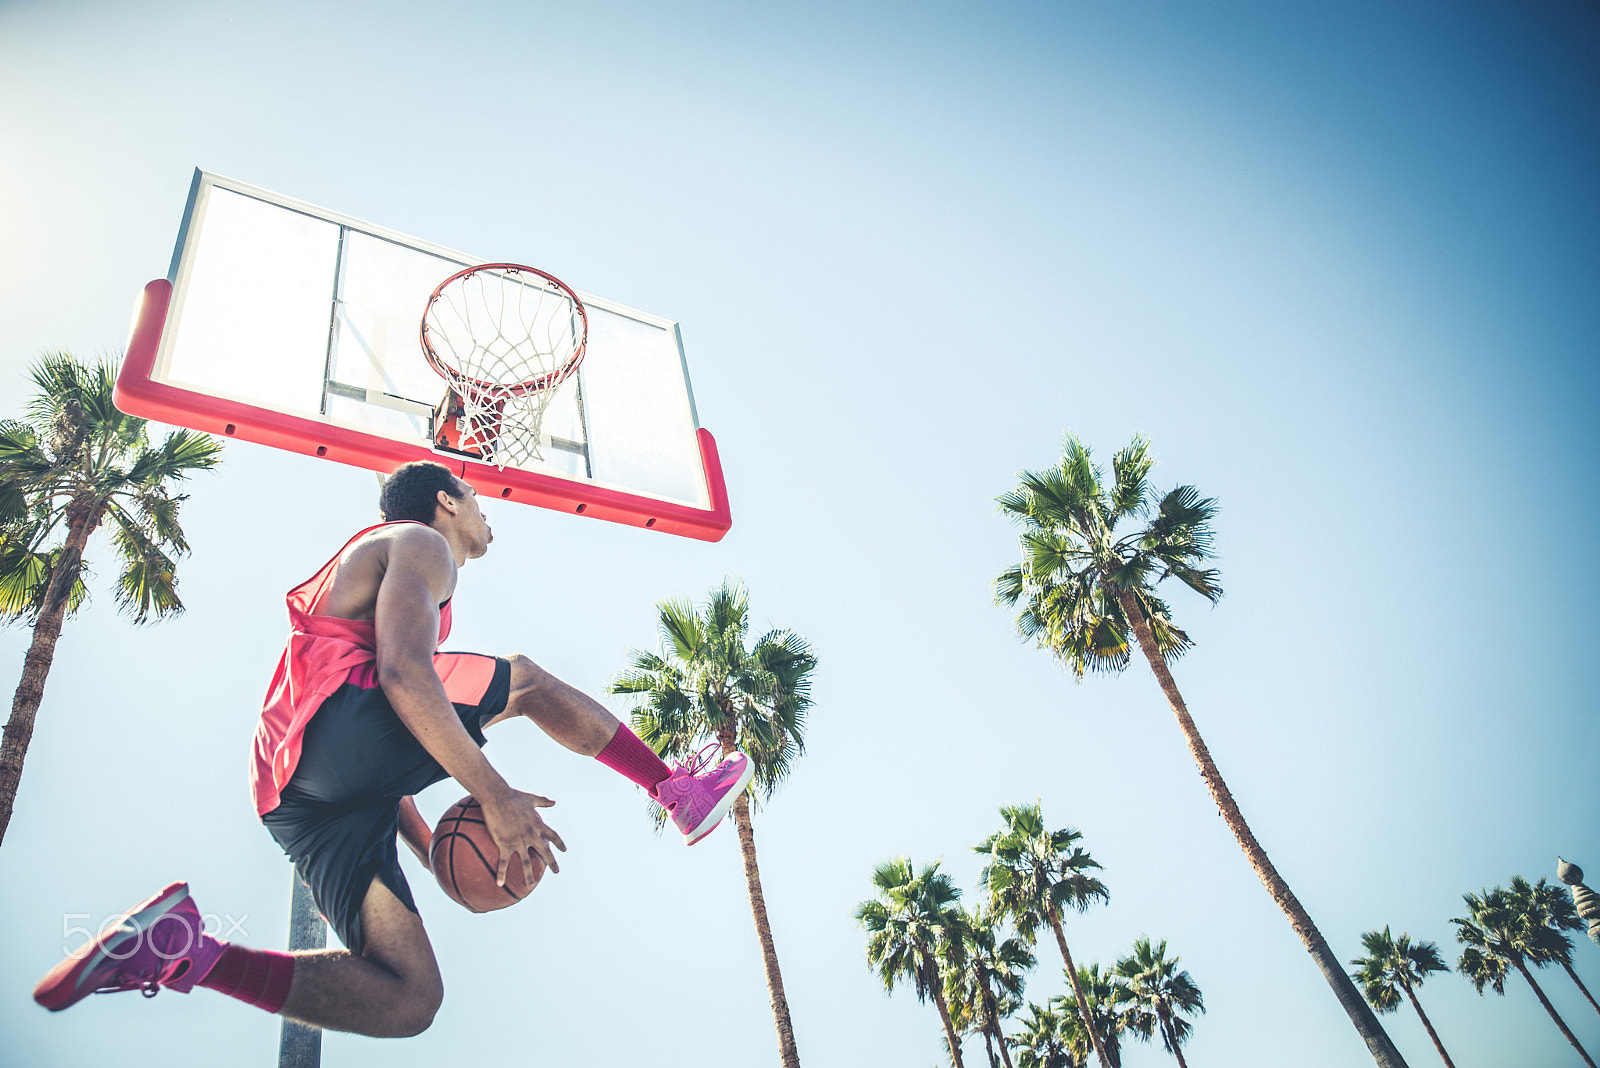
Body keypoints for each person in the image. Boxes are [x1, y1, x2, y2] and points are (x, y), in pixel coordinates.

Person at [33, 461, 752, 1035]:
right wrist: (495, 797)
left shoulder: (373, 563)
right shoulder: (421, 544)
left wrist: (434, 854)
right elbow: (404, 677)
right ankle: (675, 791)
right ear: (447, 500)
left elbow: (387, 742)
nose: (484, 514)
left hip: (294, 795)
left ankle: (187, 953)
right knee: (527, 682)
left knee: (410, 999)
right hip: (332, 733)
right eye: (477, 499)